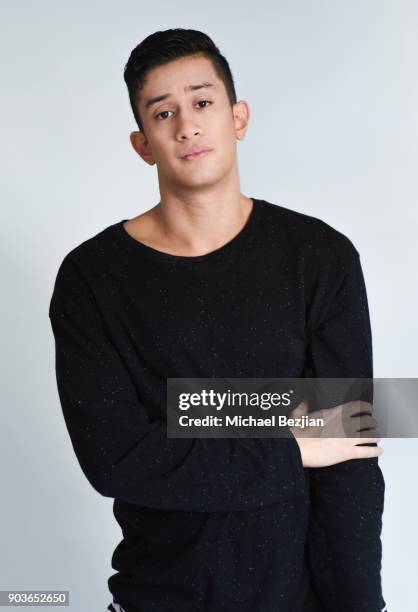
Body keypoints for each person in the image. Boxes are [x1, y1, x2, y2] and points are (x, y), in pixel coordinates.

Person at [48, 28, 387, 612]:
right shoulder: (91, 279)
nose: (188, 125)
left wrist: (360, 603)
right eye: (164, 113)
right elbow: (118, 460)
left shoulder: (320, 256)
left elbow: (350, 453)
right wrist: (292, 446)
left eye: (203, 102)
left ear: (238, 117)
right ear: (142, 144)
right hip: (156, 596)